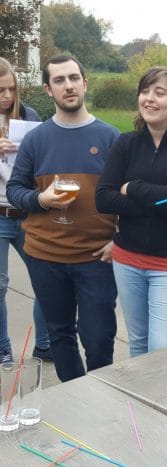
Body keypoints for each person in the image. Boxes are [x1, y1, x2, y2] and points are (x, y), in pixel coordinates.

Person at [6, 55, 119, 382]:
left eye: (73, 78)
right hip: (46, 256)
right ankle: (75, 397)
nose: (68, 86)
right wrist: (40, 199)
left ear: (85, 83)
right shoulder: (36, 139)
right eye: (59, 80)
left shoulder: (111, 138)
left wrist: (120, 239)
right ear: (48, 89)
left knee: (99, 339)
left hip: (96, 257)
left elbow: (128, 197)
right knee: (60, 335)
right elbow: (15, 189)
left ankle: (100, 397)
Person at [95, 66, 167, 357]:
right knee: (139, 343)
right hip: (127, 259)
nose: (149, 99)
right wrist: (162, 196)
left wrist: (132, 186)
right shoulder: (126, 143)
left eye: (159, 93)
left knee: (162, 351)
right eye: (145, 91)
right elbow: (103, 199)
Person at [0, 57, 52, 363]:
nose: (7, 96)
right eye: (0, 90)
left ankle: (44, 345)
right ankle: (3, 349)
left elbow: (45, 158)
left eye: (12, 89)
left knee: (46, 279)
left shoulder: (29, 116)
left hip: (27, 211)